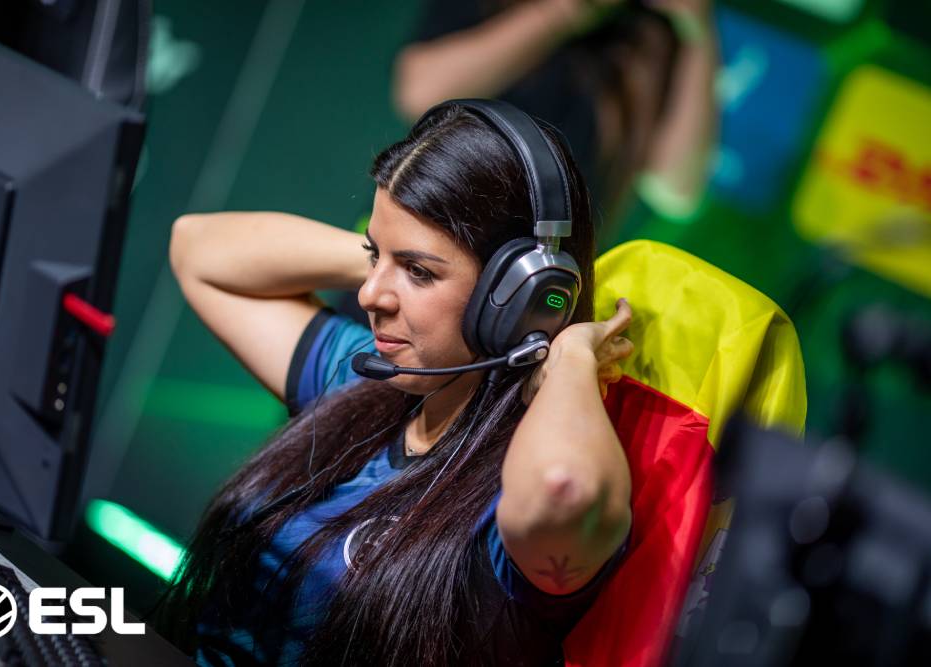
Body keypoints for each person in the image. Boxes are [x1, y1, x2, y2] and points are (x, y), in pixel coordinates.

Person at [158, 100, 635, 666]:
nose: (368, 296)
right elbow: (197, 249)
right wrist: (389, 253)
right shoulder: (367, 382)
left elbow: (563, 489)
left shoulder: (514, 493)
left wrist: (570, 355)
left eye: (420, 272)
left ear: (516, 299)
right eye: (374, 257)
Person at [394, 0, 718, 235]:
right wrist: (568, 10)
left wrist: (696, 29)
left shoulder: (653, 30)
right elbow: (421, 91)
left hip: (535, 274)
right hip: (433, 230)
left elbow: (678, 189)